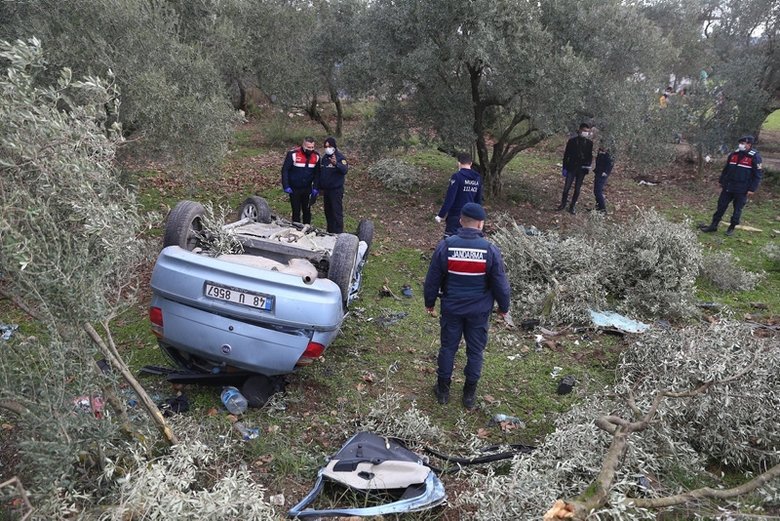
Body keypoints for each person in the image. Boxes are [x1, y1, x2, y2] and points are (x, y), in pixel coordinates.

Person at [424, 203, 511, 410]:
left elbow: (432, 279)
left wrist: (429, 302)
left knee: (448, 348)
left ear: (461, 220)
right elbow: (500, 284)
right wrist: (503, 307)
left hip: (452, 308)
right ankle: (469, 395)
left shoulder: (446, 246)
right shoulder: (490, 250)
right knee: (475, 351)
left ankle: (443, 390)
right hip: (479, 312)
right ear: (481, 224)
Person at [699, 135, 763, 236]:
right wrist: (722, 181)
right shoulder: (734, 154)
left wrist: (752, 189)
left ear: (749, 145)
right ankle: (713, 225)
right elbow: (726, 169)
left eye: (743, 143)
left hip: (742, 188)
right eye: (740, 143)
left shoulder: (754, 157)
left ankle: (731, 227)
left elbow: (757, 175)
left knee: (737, 209)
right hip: (728, 186)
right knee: (721, 206)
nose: (741, 145)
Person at [435, 152, 483, 237]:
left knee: (450, 240)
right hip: (470, 216)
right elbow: (478, 200)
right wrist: (479, 217)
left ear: (459, 163)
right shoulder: (478, 178)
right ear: (471, 163)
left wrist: (441, 215)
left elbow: (450, 197)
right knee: (467, 239)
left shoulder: (457, 176)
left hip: (456, 215)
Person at [281, 137, 321, 224]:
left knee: (307, 211)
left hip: (307, 188)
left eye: (312, 147)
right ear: (303, 146)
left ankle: (307, 228)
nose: (310, 149)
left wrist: (316, 187)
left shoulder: (316, 156)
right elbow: (285, 170)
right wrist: (286, 185)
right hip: (294, 188)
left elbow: (317, 173)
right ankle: (296, 229)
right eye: (308, 147)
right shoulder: (293, 154)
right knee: (296, 211)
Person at [558, 123, 594, 214]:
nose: (586, 133)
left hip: (582, 169)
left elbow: (590, 156)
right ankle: (563, 204)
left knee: (577, 189)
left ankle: (572, 206)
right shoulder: (572, 141)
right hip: (571, 167)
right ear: (580, 130)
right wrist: (564, 167)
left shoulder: (590, 143)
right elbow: (566, 155)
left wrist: (588, 167)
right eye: (585, 131)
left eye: (588, 131)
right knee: (567, 187)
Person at [319, 137, 349, 233]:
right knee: (328, 213)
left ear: (334, 146)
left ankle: (338, 233)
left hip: (336, 191)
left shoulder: (340, 158)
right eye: (326, 146)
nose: (327, 148)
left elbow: (344, 170)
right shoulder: (325, 158)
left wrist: (336, 164)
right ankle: (330, 231)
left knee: (336, 213)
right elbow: (322, 173)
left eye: (329, 146)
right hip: (326, 190)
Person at [593, 144, 614, 213]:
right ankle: (598, 207)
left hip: (602, 174)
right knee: (596, 191)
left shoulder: (609, 154)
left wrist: (605, 172)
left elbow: (610, 164)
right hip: (598, 172)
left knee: (598, 191)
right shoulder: (600, 151)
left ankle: (602, 209)